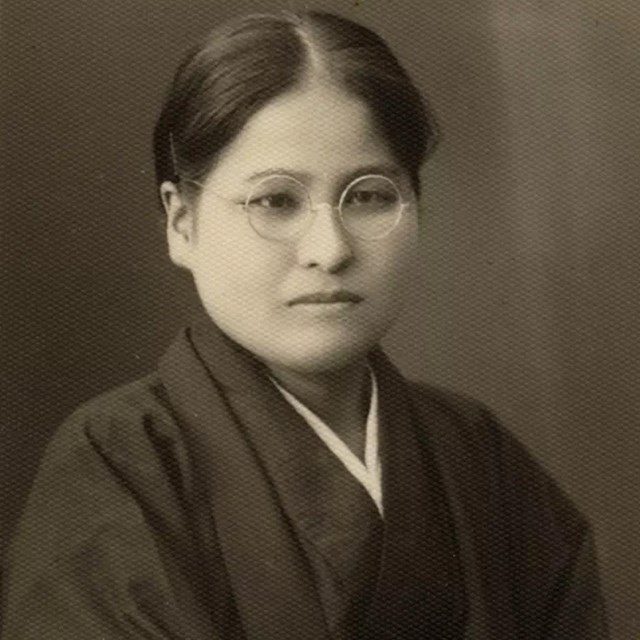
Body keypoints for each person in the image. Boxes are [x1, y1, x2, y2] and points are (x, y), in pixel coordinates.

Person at [2, 10, 608, 640]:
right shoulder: (121, 461)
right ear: (182, 222)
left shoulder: (480, 454)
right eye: (275, 201)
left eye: (369, 195)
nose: (330, 248)